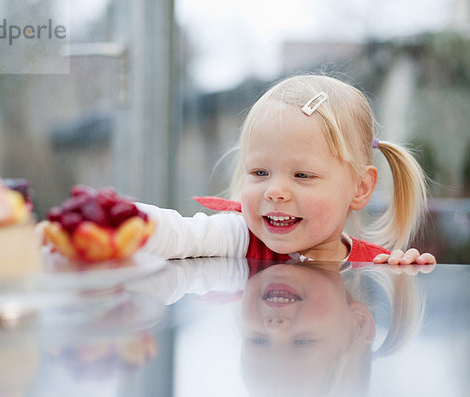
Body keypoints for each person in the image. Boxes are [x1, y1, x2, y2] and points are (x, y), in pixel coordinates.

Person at [137, 74, 435, 265]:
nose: (275, 191)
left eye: (302, 175)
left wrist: (403, 277)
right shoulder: (239, 238)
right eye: (259, 173)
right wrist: (112, 218)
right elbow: (177, 234)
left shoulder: (374, 267)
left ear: (360, 188)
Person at [240, 260, 431, 397]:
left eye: (258, 340)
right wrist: (402, 266)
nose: (275, 328)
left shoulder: (239, 241)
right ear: (360, 323)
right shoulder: (376, 258)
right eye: (301, 342)